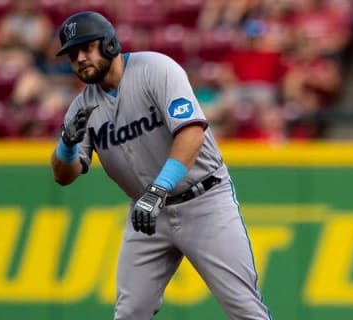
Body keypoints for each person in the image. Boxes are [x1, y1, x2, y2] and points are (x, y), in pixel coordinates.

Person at [49, 11, 271, 320]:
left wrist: (158, 189)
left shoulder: (155, 69)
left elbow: (191, 131)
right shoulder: (82, 107)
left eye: (87, 48)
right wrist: (67, 145)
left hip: (204, 200)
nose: (81, 58)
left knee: (245, 310)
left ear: (110, 44)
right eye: (73, 54)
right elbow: (62, 176)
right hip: (147, 216)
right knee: (130, 314)